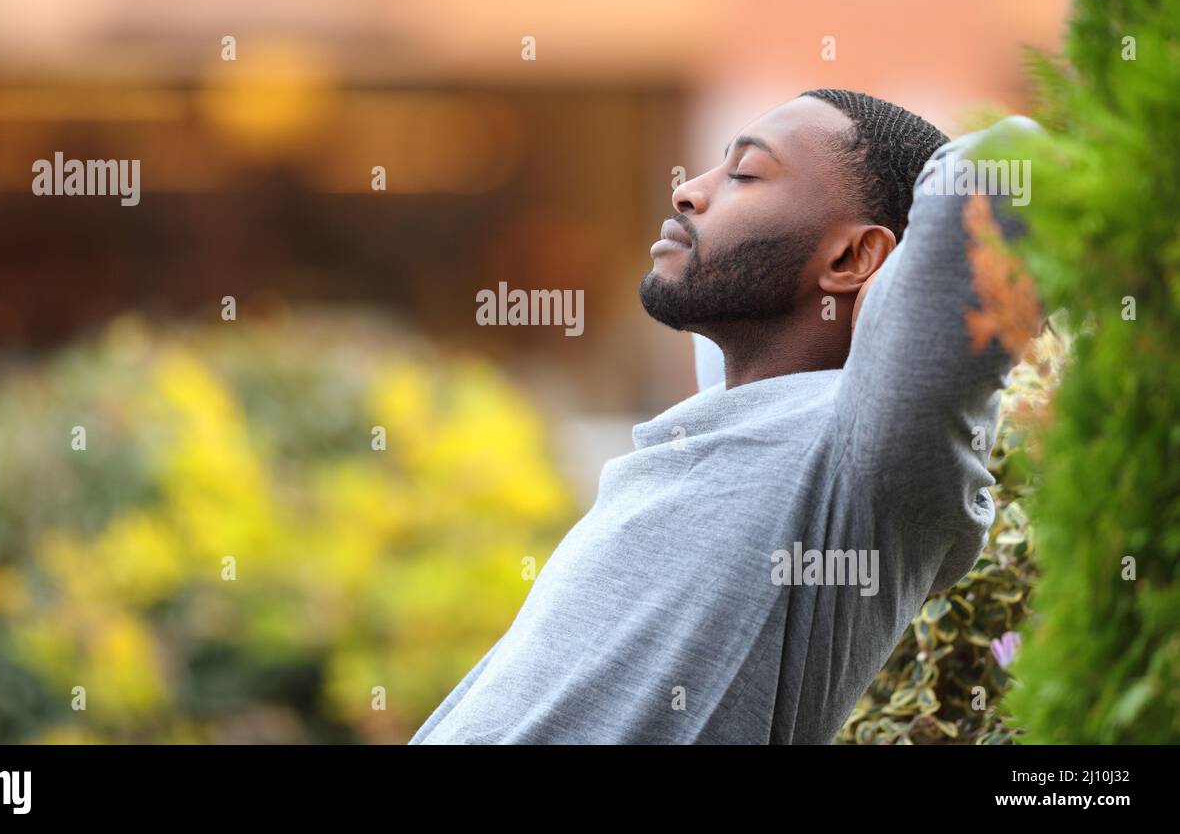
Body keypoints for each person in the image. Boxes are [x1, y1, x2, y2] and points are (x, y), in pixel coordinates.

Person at [410, 89, 1041, 744]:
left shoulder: (868, 451)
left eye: (745, 172)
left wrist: (883, 309)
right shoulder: (721, 420)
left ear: (854, 259)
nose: (688, 190)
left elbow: (1008, 164)